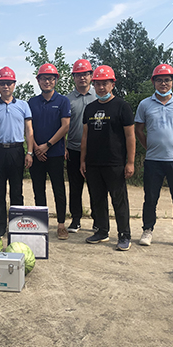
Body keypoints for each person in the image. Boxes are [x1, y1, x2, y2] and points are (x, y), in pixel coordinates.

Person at [135, 63, 173, 249]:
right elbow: (138, 130)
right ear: (153, 82)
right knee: (150, 198)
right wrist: (149, 146)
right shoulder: (145, 104)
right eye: (159, 80)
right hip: (153, 160)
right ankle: (147, 230)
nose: (163, 83)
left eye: (167, 80)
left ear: (172, 81)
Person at [80, 65, 135, 251]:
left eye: (105, 83)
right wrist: (83, 160)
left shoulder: (122, 106)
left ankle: (124, 235)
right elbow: (85, 136)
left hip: (115, 162)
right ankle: (102, 231)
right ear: (93, 85)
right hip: (93, 163)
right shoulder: (90, 108)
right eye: (98, 84)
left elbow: (130, 136)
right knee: (97, 199)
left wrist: (130, 162)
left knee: (119, 200)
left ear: (112, 84)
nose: (101, 87)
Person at [0, 66, 34, 236]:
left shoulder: (23, 105)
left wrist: (29, 152)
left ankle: (17, 225)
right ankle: (1, 227)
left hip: (16, 151)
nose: (6, 86)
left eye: (9, 83)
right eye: (2, 83)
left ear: (14, 84)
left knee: (17, 190)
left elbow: (29, 130)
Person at [28, 63, 71, 240]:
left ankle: (61, 224)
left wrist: (47, 145)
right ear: (38, 80)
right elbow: (28, 128)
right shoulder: (32, 102)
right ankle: (41, 223)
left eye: (51, 78)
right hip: (37, 153)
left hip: (55, 153)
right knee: (38, 189)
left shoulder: (63, 101)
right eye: (44, 78)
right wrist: (35, 148)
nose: (47, 81)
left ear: (56, 80)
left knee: (58, 189)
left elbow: (65, 126)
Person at [66, 59, 97, 233]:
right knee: (75, 187)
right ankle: (76, 219)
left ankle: (97, 220)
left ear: (91, 76)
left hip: (94, 150)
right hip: (73, 149)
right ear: (74, 77)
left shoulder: (98, 96)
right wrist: (63, 146)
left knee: (95, 187)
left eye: (85, 74)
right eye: (78, 75)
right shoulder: (67, 100)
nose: (82, 78)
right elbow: (62, 126)